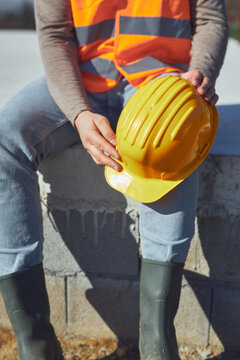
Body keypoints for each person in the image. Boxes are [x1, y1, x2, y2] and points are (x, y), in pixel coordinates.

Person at [0, 0, 228, 359]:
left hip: (161, 83)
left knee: (169, 145)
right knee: (5, 138)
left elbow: (210, 17)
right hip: (80, 79)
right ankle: (35, 342)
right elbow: (55, 33)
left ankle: (156, 345)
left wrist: (200, 72)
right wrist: (78, 113)